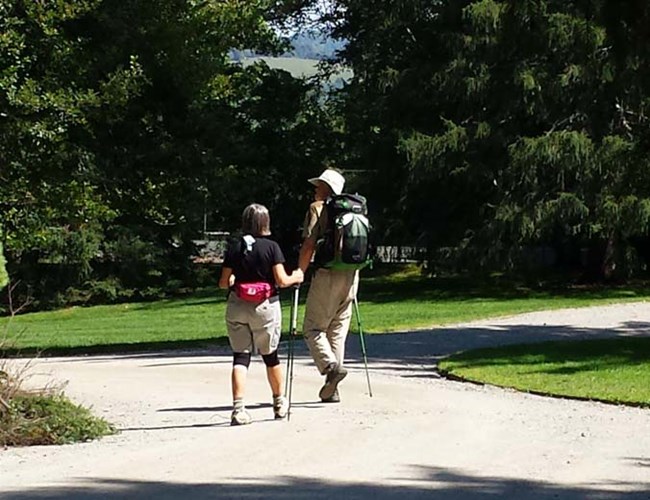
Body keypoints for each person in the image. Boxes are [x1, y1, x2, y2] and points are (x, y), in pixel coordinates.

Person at [219, 203, 303, 426]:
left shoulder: (235, 247)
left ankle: (238, 409)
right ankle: (279, 403)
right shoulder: (272, 247)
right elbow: (282, 280)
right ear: (265, 223)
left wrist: (236, 281)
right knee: (270, 356)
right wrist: (297, 276)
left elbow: (223, 283)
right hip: (265, 306)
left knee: (240, 356)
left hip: (237, 305)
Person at [298, 168, 359, 403]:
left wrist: (299, 272)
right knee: (336, 333)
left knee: (313, 329)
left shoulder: (318, 208)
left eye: (319, 185)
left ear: (327, 188)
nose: (315, 188)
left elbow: (309, 244)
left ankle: (331, 368)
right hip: (352, 276)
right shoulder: (353, 208)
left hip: (328, 275)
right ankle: (332, 390)